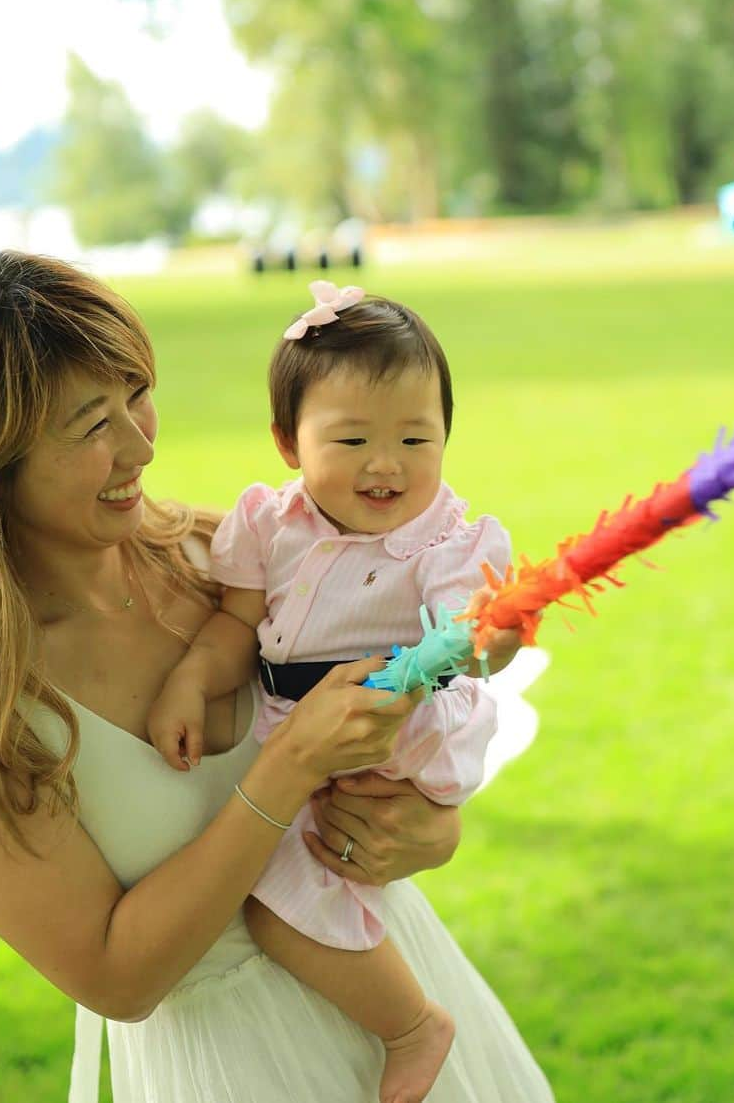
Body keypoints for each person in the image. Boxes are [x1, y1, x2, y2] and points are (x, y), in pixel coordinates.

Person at [0, 251, 555, 1103]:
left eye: (137, 394)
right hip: (234, 1069)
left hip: (405, 998)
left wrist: (428, 831)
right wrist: (288, 766)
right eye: (91, 425)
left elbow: (425, 712)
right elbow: (116, 978)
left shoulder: (237, 559)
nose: (141, 444)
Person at [147, 280, 524, 1103]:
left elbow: (474, 623)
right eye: (352, 439)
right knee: (285, 894)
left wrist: (490, 636)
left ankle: (413, 1025)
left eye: (416, 440)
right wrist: (188, 682)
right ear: (288, 441)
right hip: (300, 726)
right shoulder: (266, 525)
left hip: (405, 715)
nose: (386, 465)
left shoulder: (445, 538)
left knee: (284, 902)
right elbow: (232, 629)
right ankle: (408, 1016)